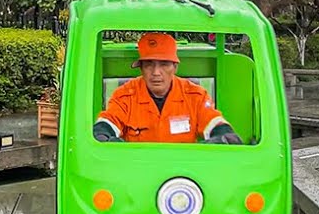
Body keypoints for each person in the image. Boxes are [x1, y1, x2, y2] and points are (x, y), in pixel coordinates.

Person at [93, 32, 242, 144]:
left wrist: (225, 136)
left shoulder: (195, 95)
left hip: (184, 176)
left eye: (164, 64)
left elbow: (213, 122)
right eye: (149, 64)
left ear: (175, 67)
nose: (156, 72)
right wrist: (102, 135)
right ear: (141, 68)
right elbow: (107, 123)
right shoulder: (124, 95)